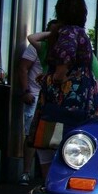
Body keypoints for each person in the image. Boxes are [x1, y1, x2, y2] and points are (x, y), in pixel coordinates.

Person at [32, 0, 98, 184]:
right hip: (82, 99)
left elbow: (63, 67)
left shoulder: (68, 33)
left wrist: (50, 77)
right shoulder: (81, 33)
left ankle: (52, 193)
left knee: (48, 144)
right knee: (73, 144)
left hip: (63, 101)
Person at [17, 20, 57, 185]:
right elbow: (23, 68)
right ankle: (26, 172)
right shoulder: (38, 47)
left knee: (50, 137)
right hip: (34, 95)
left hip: (51, 99)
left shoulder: (60, 50)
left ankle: (45, 175)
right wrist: (26, 91)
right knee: (31, 135)